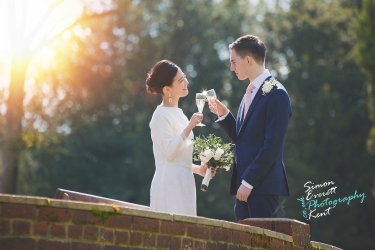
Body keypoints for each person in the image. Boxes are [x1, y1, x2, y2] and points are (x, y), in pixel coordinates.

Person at [207, 35, 291, 221]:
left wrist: (249, 181)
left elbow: (272, 145)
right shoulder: (249, 93)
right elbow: (242, 137)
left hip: (262, 187)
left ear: (248, 60)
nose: (231, 68)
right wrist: (224, 114)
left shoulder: (277, 94)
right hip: (243, 187)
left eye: (234, 62)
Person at [146, 60, 215, 216]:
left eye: (184, 77)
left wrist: (199, 169)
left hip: (185, 182)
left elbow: (178, 159)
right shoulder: (160, 115)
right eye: (181, 80)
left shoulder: (180, 114)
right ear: (167, 89)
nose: (186, 82)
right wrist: (189, 127)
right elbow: (169, 153)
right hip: (169, 183)